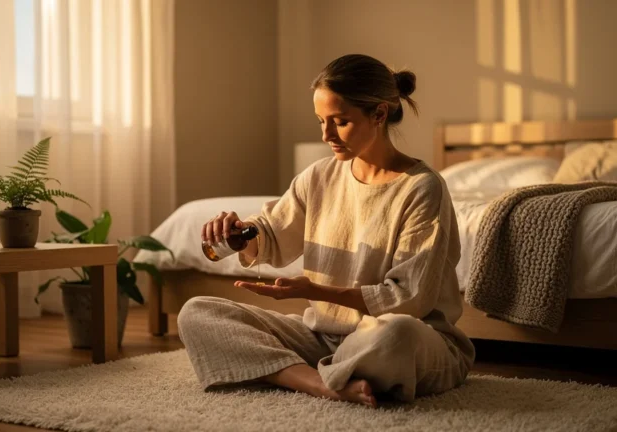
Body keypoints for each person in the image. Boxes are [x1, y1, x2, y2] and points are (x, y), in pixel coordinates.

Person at [178, 54, 476, 408]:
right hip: (324, 337)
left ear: (379, 115)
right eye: (321, 120)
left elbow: (408, 300)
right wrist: (240, 234)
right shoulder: (318, 176)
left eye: (340, 121)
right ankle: (323, 383)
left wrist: (317, 290)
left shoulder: (422, 188)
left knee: (396, 334)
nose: (326, 134)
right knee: (197, 312)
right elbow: (273, 234)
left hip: (409, 338)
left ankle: (297, 371)